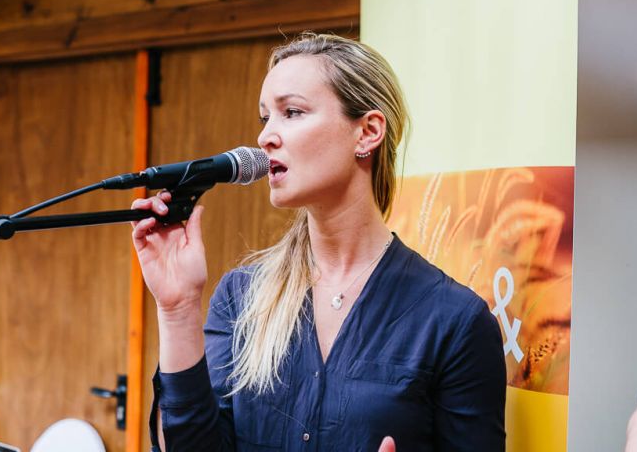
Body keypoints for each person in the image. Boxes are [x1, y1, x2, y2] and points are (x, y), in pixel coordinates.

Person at [131, 33, 506, 451]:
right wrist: (177, 308)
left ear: (367, 132)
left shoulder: (455, 321)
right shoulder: (241, 297)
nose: (266, 137)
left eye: (291, 112)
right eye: (265, 118)